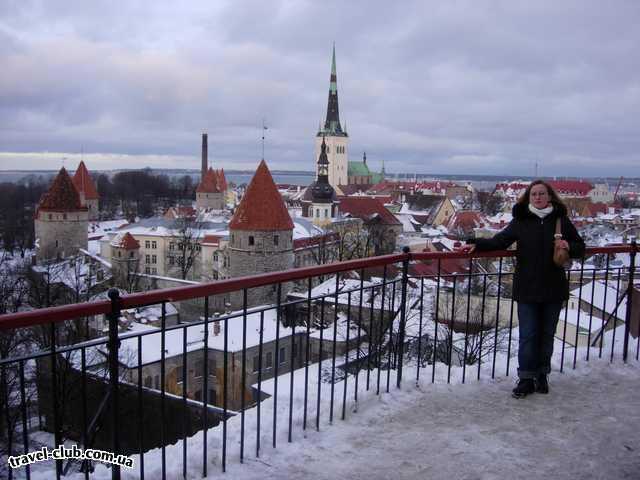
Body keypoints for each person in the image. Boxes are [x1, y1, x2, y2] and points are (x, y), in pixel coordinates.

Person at [458, 180, 585, 398]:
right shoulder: (521, 220)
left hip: (553, 287)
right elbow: (500, 241)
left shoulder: (560, 221)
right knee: (528, 335)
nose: (537, 197)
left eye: (541, 193)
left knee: (547, 335)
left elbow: (580, 247)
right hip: (527, 287)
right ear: (528, 197)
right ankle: (526, 378)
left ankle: (542, 375)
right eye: (533, 194)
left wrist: (568, 246)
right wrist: (476, 244)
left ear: (549, 197)